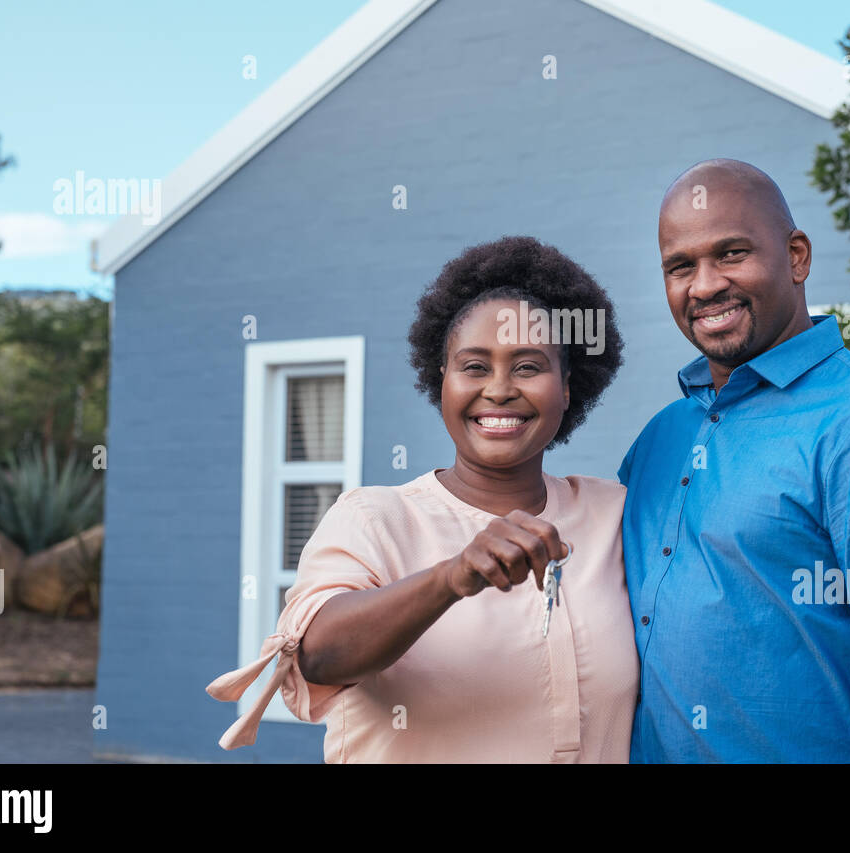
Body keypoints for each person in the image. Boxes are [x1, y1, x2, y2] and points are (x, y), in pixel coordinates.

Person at [618, 158, 850, 762]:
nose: (706, 285)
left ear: (796, 256)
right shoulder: (659, 440)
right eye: (680, 266)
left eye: (732, 254)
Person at [207, 236, 637, 762]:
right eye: (474, 366)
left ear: (567, 388)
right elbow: (317, 654)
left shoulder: (615, 514)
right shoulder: (374, 519)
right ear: (442, 383)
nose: (499, 389)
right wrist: (449, 578)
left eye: (528, 366)